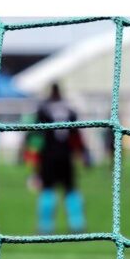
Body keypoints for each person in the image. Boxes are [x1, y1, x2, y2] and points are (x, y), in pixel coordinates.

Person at [31, 83, 89, 234]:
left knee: (48, 188)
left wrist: (30, 155)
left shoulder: (43, 109)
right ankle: (77, 224)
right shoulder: (70, 110)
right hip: (66, 156)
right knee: (71, 189)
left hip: (48, 156)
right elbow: (76, 135)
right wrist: (84, 154)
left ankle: (45, 226)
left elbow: (36, 135)